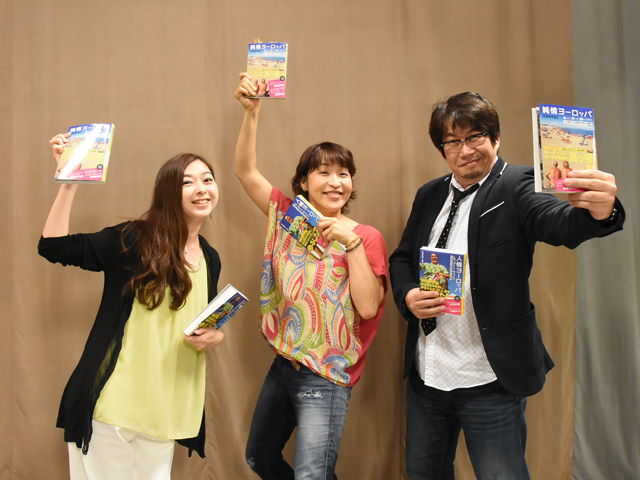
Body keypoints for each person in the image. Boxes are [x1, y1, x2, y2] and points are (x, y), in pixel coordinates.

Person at [388, 92, 625, 480]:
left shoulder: (518, 185)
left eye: (475, 136)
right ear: (443, 150)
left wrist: (599, 213)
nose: (465, 150)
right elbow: (401, 259)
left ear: (495, 138)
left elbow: (559, 223)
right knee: (423, 473)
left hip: (490, 377)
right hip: (428, 373)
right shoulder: (429, 194)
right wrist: (408, 295)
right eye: (453, 141)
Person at [39, 133, 225, 480]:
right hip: (114, 405)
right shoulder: (133, 240)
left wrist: (215, 336)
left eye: (207, 180)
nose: (201, 189)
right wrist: (68, 182)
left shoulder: (210, 258)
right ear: (168, 193)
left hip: (167, 411)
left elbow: (203, 322)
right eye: (187, 182)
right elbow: (54, 247)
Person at [234, 72, 389, 480]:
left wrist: (351, 244)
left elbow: (368, 307)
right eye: (323, 173)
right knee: (260, 457)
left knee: (311, 475)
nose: (335, 182)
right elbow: (245, 171)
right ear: (304, 182)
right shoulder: (290, 217)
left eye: (344, 174)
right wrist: (252, 113)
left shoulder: (366, 236)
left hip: (327, 375)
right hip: (286, 363)